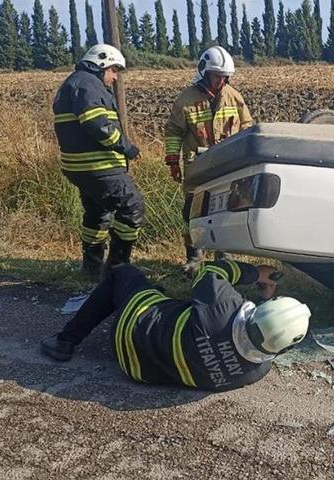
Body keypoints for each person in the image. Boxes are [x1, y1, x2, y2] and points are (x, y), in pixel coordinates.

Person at [40, 260, 310, 391]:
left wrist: (258, 273)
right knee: (176, 305)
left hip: (132, 324)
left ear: (258, 312)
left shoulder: (221, 306)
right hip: (138, 371)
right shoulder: (256, 371)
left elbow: (212, 270)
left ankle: (65, 340)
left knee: (124, 274)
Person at [53, 44, 144, 279]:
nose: (114, 78)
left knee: (97, 214)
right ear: (101, 63)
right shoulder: (88, 84)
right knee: (132, 207)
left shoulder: (74, 83)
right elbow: (99, 125)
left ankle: (91, 268)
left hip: (80, 167)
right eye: (114, 70)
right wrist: (128, 148)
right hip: (99, 166)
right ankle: (117, 268)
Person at [163, 45, 254, 273]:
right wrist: (173, 161)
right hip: (198, 167)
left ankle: (224, 258)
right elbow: (174, 131)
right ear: (204, 72)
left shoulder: (234, 98)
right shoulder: (186, 100)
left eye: (224, 77)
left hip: (227, 166)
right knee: (193, 213)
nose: (220, 81)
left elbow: (247, 126)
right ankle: (194, 258)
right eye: (216, 76)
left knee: (225, 211)